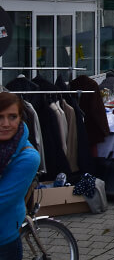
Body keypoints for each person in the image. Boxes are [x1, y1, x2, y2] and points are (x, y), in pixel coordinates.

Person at [0, 93, 41, 260]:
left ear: (20, 119)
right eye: (0, 117)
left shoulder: (28, 157)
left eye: (12, 117)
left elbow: (2, 199)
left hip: (3, 239)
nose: (5, 124)